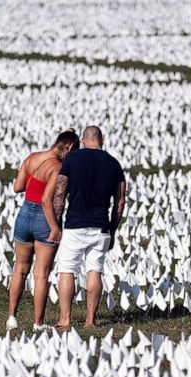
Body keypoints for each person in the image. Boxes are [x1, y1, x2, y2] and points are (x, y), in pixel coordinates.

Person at [46, 126, 126, 331]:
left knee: (67, 270)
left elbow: (59, 194)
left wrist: (56, 224)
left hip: (75, 225)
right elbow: (120, 202)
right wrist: (112, 230)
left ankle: (65, 320)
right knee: (95, 271)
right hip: (100, 227)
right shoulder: (114, 164)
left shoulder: (72, 160)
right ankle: (90, 320)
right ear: (103, 140)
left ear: (82, 140)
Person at [6, 129, 80, 332]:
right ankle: (38, 323)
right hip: (43, 218)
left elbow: (17, 187)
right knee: (41, 274)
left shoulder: (32, 158)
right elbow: (47, 201)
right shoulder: (57, 167)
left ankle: (12, 317)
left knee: (20, 269)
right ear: (70, 148)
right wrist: (55, 228)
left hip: (23, 215)